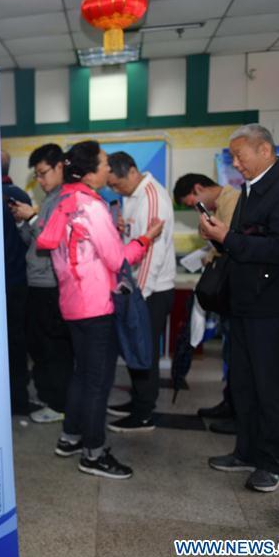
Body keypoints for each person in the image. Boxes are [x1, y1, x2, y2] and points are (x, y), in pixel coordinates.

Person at [37, 141, 163, 479]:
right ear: (91, 172)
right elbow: (118, 260)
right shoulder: (92, 208)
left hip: (72, 303)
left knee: (82, 375)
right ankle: (93, 454)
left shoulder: (64, 201)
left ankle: (71, 437)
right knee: (97, 382)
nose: (109, 168)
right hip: (96, 306)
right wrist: (146, 238)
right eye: (105, 162)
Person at [200, 124, 279, 493]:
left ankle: (275, 462)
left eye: (239, 155)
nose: (235, 163)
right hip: (247, 303)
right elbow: (249, 239)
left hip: (276, 307)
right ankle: (246, 451)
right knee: (245, 385)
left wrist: (228, 238)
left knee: (274, 388)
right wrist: (223, 235)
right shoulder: (253, 188)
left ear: (264, 149)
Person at [104, 152, 176, 432]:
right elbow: (134, 242)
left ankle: (144, 413)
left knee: (144, 350)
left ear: (132, 172)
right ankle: (137, 402)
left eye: (117, 184)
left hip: (151, 290)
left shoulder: (152, 196)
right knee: (135, 347)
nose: (115, 190)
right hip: (137, 287)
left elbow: (153, 252)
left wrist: (139, 295)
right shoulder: (132, 195)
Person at [9, 144, 74, 424]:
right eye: (37, 175)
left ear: (60, 166)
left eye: (44, 173)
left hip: (51, 285)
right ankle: (49, 397)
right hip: (37, 283)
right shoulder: (48, 198)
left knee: (53, 349)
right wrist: (25, 224)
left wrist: (32, 218)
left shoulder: (65, 199)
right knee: (39, 346)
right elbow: (36, 242)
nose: (42, 180)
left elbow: (54, 240)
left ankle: (58, 403)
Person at [173, 173, 242, 435]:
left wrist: (211, 246)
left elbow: (233, 243)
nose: (194, 207)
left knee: (238, 354)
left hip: (237, 290)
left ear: (199, 188)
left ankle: (238, 411)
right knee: (230, 352)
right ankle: (229, 402)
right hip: (227, 292)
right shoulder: (224, 204)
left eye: (192, 201)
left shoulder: (232, 201)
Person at [1, 150, 33, 419]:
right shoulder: (19, 197)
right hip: (18, 282)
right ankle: (20, 399)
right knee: (17, 343)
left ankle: (2, 400)